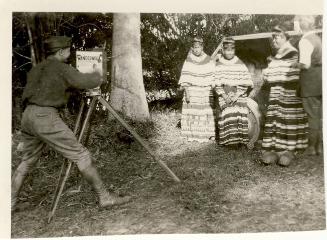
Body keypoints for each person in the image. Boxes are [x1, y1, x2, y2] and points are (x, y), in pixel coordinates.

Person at [11, 36, 131, 212]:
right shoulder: (61, 68)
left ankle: (9, 203)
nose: (70, 52)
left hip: (28, 115)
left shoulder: (37, 69)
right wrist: (99, 71)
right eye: (68, 49)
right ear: (60, 52)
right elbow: (86, 82)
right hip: (45, 116)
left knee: (27, 160)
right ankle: (105, 197)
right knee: (81, 154)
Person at [261, 26, 308, 166]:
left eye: (277, 37)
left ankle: (288, 151)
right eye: (273, 37)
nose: (274, 40)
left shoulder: (291, 53)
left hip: (289, 94)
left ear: (285, 38)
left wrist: (269, 72)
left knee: (287, 120)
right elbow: (270, 75)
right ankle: (275, 150)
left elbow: (287, 74)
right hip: (277, 93)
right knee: (276, 120)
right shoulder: (277, 55)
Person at [213, 37, 254, 147]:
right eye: (227, 50)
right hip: (224, 93)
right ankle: (229, 141)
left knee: (239, 111)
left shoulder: (239, 63)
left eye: (232, 50)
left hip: (238, 93)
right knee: (227, 111)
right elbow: (216, 83)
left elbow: (245, 81)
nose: (229, 52)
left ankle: (239, 140)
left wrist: (237, 94)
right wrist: (223, 95)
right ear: (223, 50)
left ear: (234, 50)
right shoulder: (219, 64)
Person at [292, 15, 322, 156]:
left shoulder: (304, 40)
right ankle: (319, 147)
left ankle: (311, 148)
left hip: (310, 82)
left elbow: (305, 64)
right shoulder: (317, 38)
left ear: (302, 24)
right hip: (320, 81)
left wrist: (294, 64)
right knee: (318, 115)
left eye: (296, 23)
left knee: (312, 116)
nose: (295, 26)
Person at [178, 36, 216, 142]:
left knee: (206, 111)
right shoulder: (189, 60)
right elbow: (185, 77)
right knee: (192, 111)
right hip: (192, 90)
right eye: (194, 47)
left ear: (202, 47)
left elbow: (212, 75)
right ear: (192, 48)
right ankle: (191, 134)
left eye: (198, 47)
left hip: (204, 90)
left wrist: (211, 87)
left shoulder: (208, 60)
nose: (196, 50)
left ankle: (208, 133)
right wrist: (187, 92)